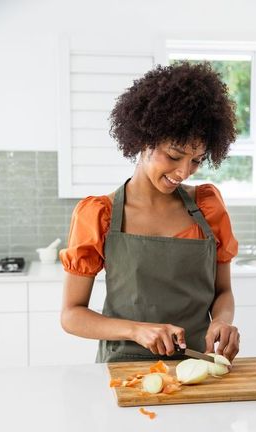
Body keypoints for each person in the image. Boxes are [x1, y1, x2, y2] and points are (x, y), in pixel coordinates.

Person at [59, 61, 240, 364]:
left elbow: (223, 292)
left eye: (196, 160)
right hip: (124, 368)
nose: (184, 172)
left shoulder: (208, 208)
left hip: (197, 366)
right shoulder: (98, 215)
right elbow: (71, 315)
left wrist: (222, 320)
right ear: (144, 139)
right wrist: (137, 330)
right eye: (174, 155)